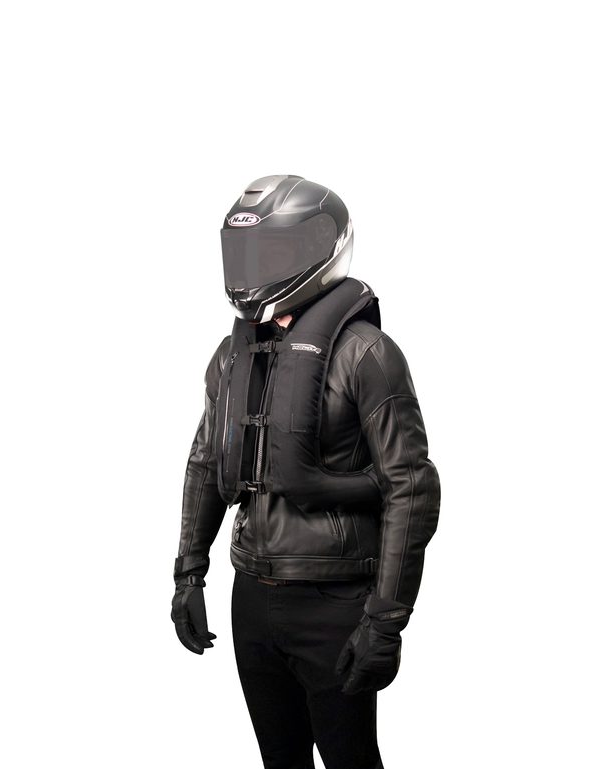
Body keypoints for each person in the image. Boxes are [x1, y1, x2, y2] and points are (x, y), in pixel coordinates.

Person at [171, 175, 440, 769]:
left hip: (334, 600)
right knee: (280, 759)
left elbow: (412, 488)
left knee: (350, 760)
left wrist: (386, 620)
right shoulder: (233, 356)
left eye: (270, 252)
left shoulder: (367, 354)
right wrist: (189, 572)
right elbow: (207, 461)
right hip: (252, 597)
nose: (253, 268)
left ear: (319, 249)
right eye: (247, 252)